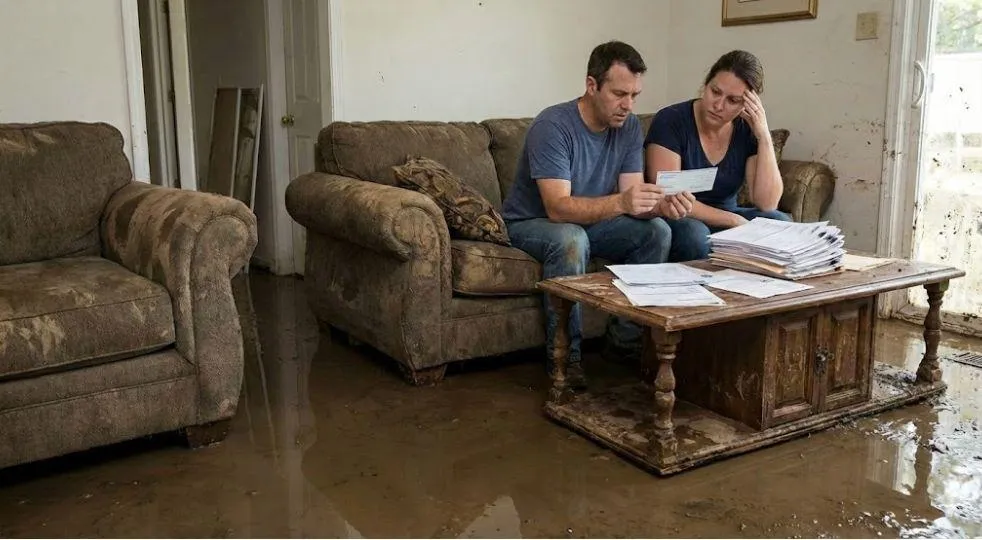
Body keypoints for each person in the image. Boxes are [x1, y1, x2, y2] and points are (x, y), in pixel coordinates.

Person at [501, 40, 694, 383]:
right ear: (592, 85)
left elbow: (630, 194)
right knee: (570, 239)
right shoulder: (553, 126)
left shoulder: (629, 126)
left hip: (592, 221)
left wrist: (661, 205)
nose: (628, 105)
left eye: (635, 95)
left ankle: (624, 344)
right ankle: (566, 359)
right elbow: (558, 208)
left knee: (658, 231)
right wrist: (622, 203)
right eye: (620, 94)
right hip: (533, 222)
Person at [644, 49, 792, 263]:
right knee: (696, 236)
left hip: (728, 214)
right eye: (715, 92)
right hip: (679, 215)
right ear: (705, 85)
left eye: (733, 100)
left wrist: (763, 135)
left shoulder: (745, 128)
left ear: (746, 105)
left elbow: (767, 203)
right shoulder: (671, 120)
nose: (719, 105)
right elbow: (669, 195)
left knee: (779, 222)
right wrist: (732, 220)